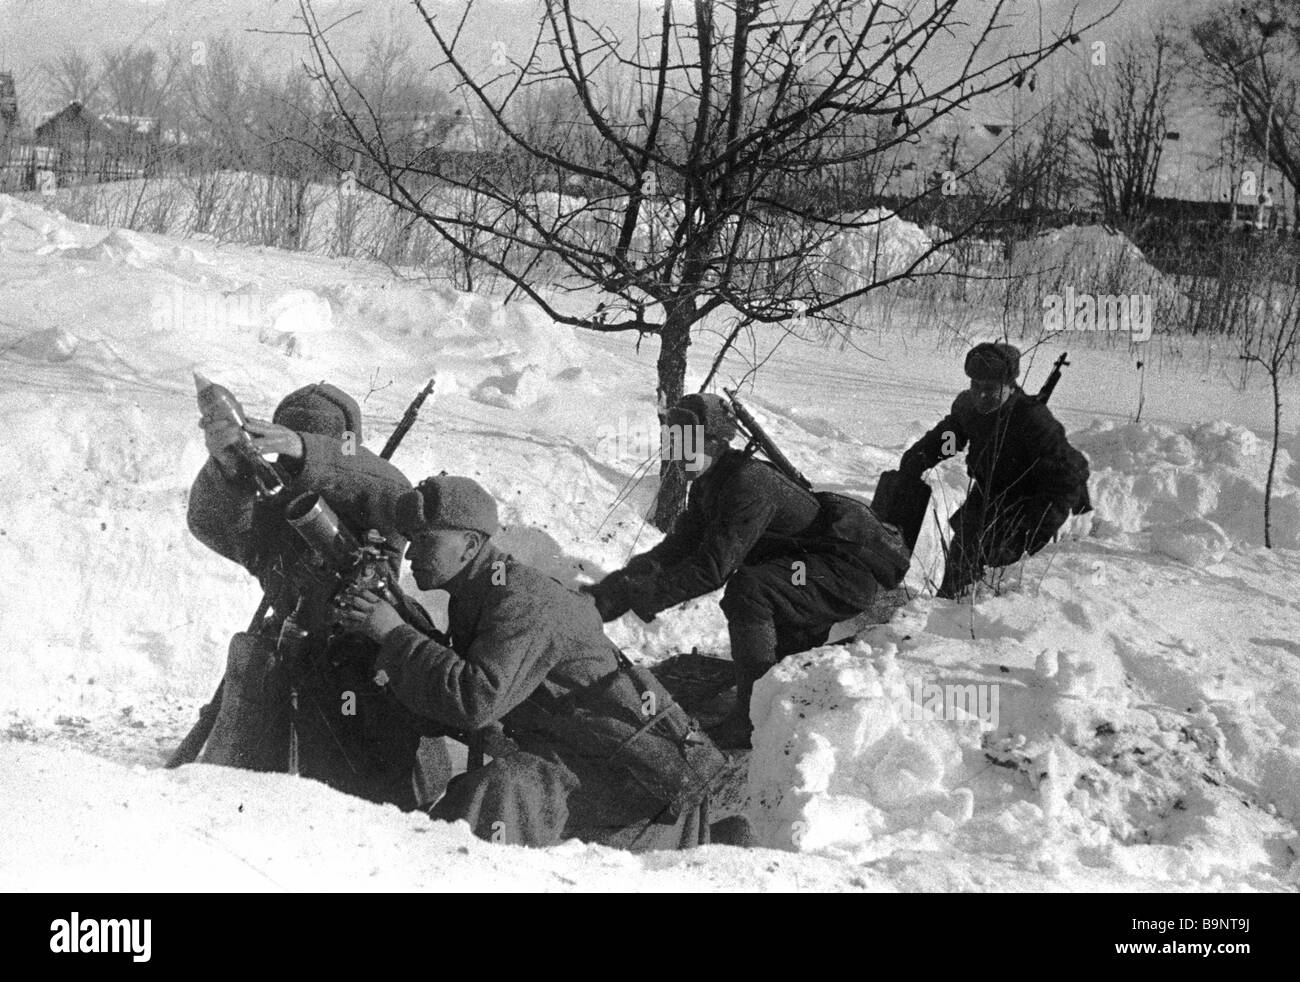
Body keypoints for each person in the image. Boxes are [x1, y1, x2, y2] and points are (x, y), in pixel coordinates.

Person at [335, 475, 732, 851]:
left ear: (470, 545)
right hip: (583, 759)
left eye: (424, 540)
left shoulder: (519, 600)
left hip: (641, 786)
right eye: (409, 540)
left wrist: (393, 634)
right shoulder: (478, 590)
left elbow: (474, 701)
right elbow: (459, 695)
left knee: (496, 791)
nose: (412, 554)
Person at [583, 394, 879, 750]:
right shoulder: (711, 482)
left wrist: (644, 594)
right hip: (803, 576)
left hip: (842, 577)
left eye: (686, 443)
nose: (677, 454)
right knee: (783, 669)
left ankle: (751, 723)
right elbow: (680, 547)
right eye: (672, 442)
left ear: (715, 443)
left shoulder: (746, 483)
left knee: (748, 590)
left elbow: (712, 568)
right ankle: (768, 704)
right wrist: (617, 587)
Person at [187, 381, 426, 809]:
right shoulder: (277, 516)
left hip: (361, 662)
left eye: (319, 445)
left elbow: (391, 489)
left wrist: (305, 448)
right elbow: (211, 522)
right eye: (287, 450)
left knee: (353, 790)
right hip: (288, 649)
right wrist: (228, 468)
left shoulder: (380, 509)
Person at [898, 342, 1090, 599]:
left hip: (1030, 501)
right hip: (990, 492)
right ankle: (947, 607)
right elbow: (950, 438)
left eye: (990, 389)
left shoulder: (1033, 420)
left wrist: (1030, 535)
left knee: (996, 568)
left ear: (1011, 387)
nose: (981, 395)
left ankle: (975, 622)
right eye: (975, 386)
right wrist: (917, 460)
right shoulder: (969, 408)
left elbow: (1067, 477)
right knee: (964, 548)